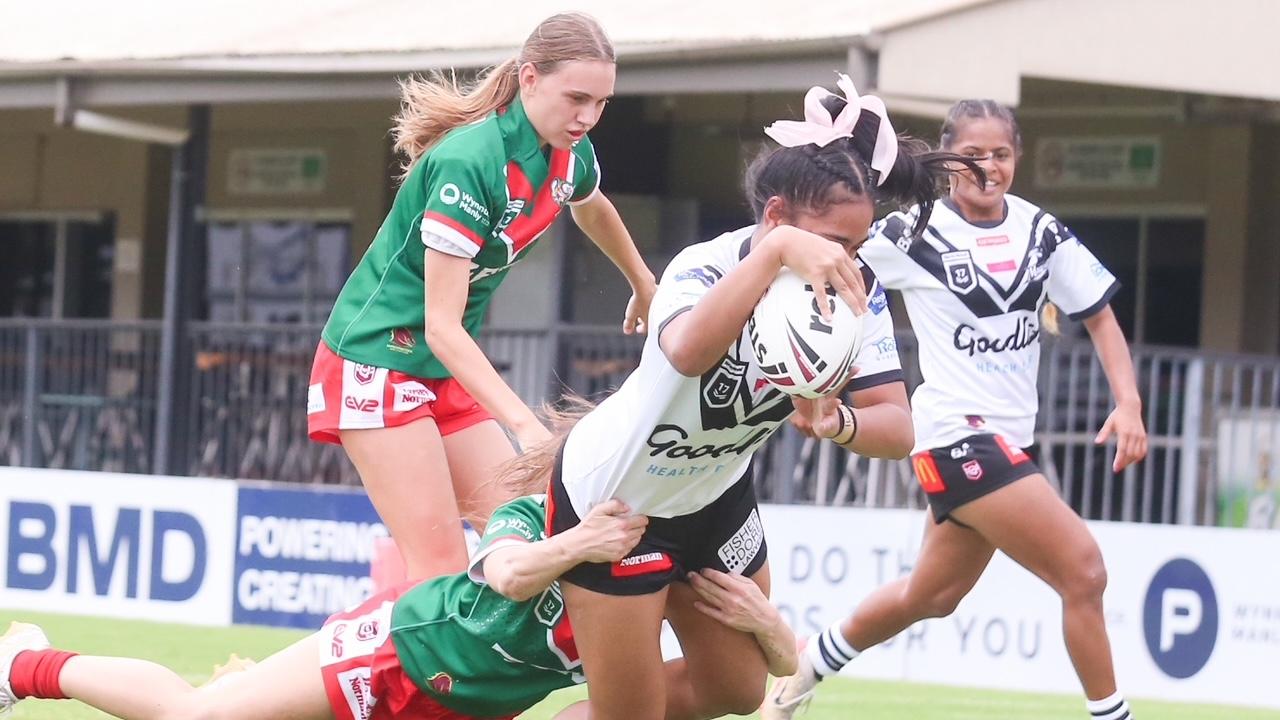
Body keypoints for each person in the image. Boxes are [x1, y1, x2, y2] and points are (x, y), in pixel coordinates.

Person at [524, 76, 980, 720]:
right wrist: (773, 260)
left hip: (716, 499)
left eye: (856, 243)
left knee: (735, 690)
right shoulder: (704, 266)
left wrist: (837, 421)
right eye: (829, 241)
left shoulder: (857, 290)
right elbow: (686, 351)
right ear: (775, 220)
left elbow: (898, 428)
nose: (844, 260)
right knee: (629, 714)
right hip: (618, 500)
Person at [763, 99, 1149, 720]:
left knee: (931, 595)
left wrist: (1128, 403)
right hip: (955, 437)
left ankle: (808, 663)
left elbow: (1099, 316)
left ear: (1016, 158)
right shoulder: (911, 233)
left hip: (1006, 444)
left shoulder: (1040, 232)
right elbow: (831, 270)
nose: (987, 167)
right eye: (972, 155)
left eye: (1001, 154)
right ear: (949, 162)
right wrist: (823, 374)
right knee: (1085, 571)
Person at [306, 12, 656, 581]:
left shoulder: (570, 152)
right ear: (529, 79)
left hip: (443, 372)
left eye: (601, 103)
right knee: (440, 573)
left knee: (538, 535)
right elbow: (441, 326)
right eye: (576, 98)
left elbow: (592, 206)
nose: (588, 117)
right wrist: (524, 425)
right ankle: (312, 671)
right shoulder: (470, 162)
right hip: (377, 363)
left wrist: (643, 281)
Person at [0, 493, 797, 720]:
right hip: (401, 653)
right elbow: (507, 574)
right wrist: (580, 542)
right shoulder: (545, 511)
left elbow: (765, 685)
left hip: (470, 709)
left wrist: (768, 626)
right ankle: (26, 664)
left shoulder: (663, 567)